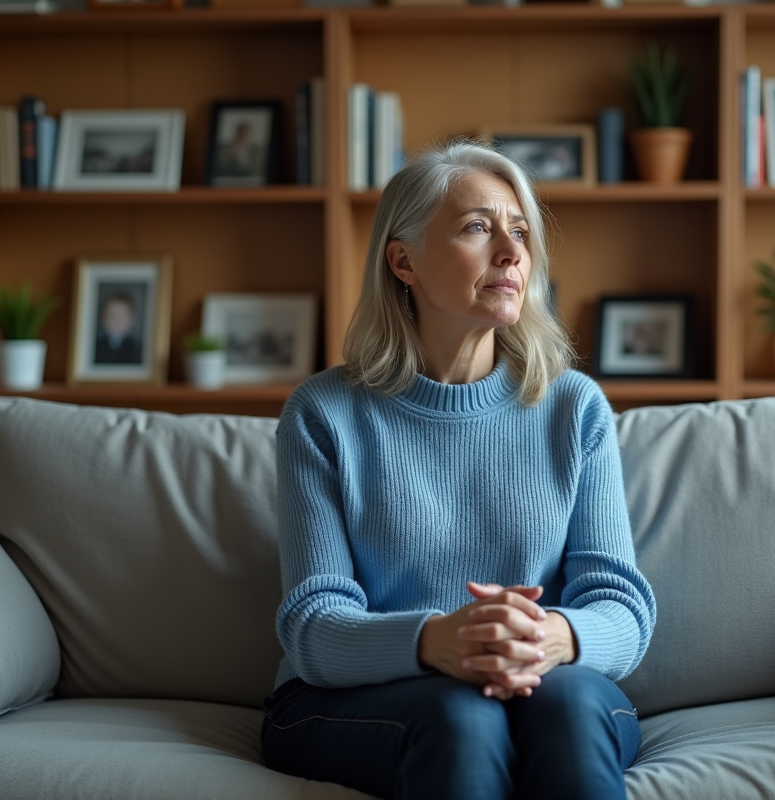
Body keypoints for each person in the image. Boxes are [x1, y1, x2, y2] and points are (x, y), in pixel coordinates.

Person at [262, 140, 657, 800]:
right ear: (403, 260)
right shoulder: (324, 413)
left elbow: (620, 605)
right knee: (463, 716)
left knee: (562, 710)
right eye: (478, 226)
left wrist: (552, 637)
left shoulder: (573, 406)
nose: (511, 253)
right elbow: (313, 625)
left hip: (546, 685)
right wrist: (433, 642)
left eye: (520, 232)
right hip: (369, 698)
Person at [93, 292, 142, 365]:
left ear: (131, 318)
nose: (117, 320)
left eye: (122, 316)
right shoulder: (94, 346)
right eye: (112, 315)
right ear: (103, 317)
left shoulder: (138, 348)